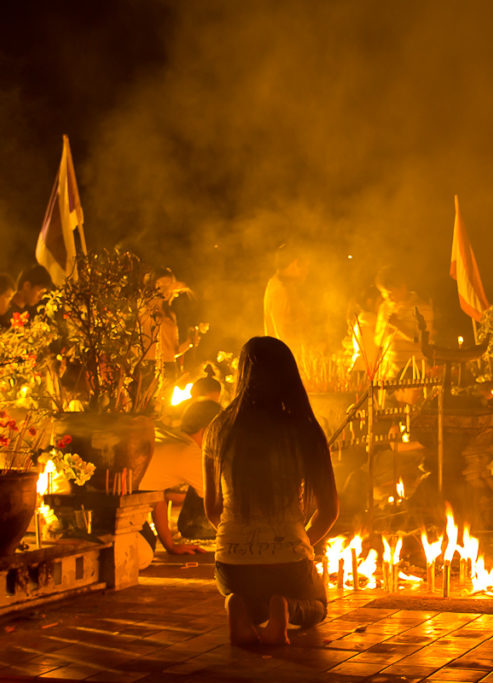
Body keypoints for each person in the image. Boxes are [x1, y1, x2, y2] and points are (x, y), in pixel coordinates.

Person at [203, 337, 338, 646]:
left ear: (242, 373)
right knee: (318, 607)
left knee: (251, 595)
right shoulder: (303, 428)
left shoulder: (218, 428)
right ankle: (286, 608)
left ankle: (240, 606)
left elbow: (212, 508)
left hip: (230, 565)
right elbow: (330, 510)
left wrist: (238, 539)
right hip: (287, 561)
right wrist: (300, 541)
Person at [140, 398, 223, 555]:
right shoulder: (190, 453)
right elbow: (218, 505)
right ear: (207, 430)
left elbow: (158, 499)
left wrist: (170, 546)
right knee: (144, 553)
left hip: (113, 503)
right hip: (118, 509)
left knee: (148, 541)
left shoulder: (168, 435)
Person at [374, 266, 433, 382]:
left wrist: (399, 326)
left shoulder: (422, 308)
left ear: (402, 287)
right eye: (384, 293)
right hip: (389, 372)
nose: (387, 297)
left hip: (414, 373)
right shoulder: (384, 308)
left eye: (390, 293)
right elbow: (378, 341)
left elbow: (423, 343)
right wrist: (385, 330)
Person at [263, 244, 309, 359]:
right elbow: (284, 336)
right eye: (305, 266)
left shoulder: (285, 287)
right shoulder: (279, 291)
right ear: (294, 264)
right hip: (287, 360)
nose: (306, 272)